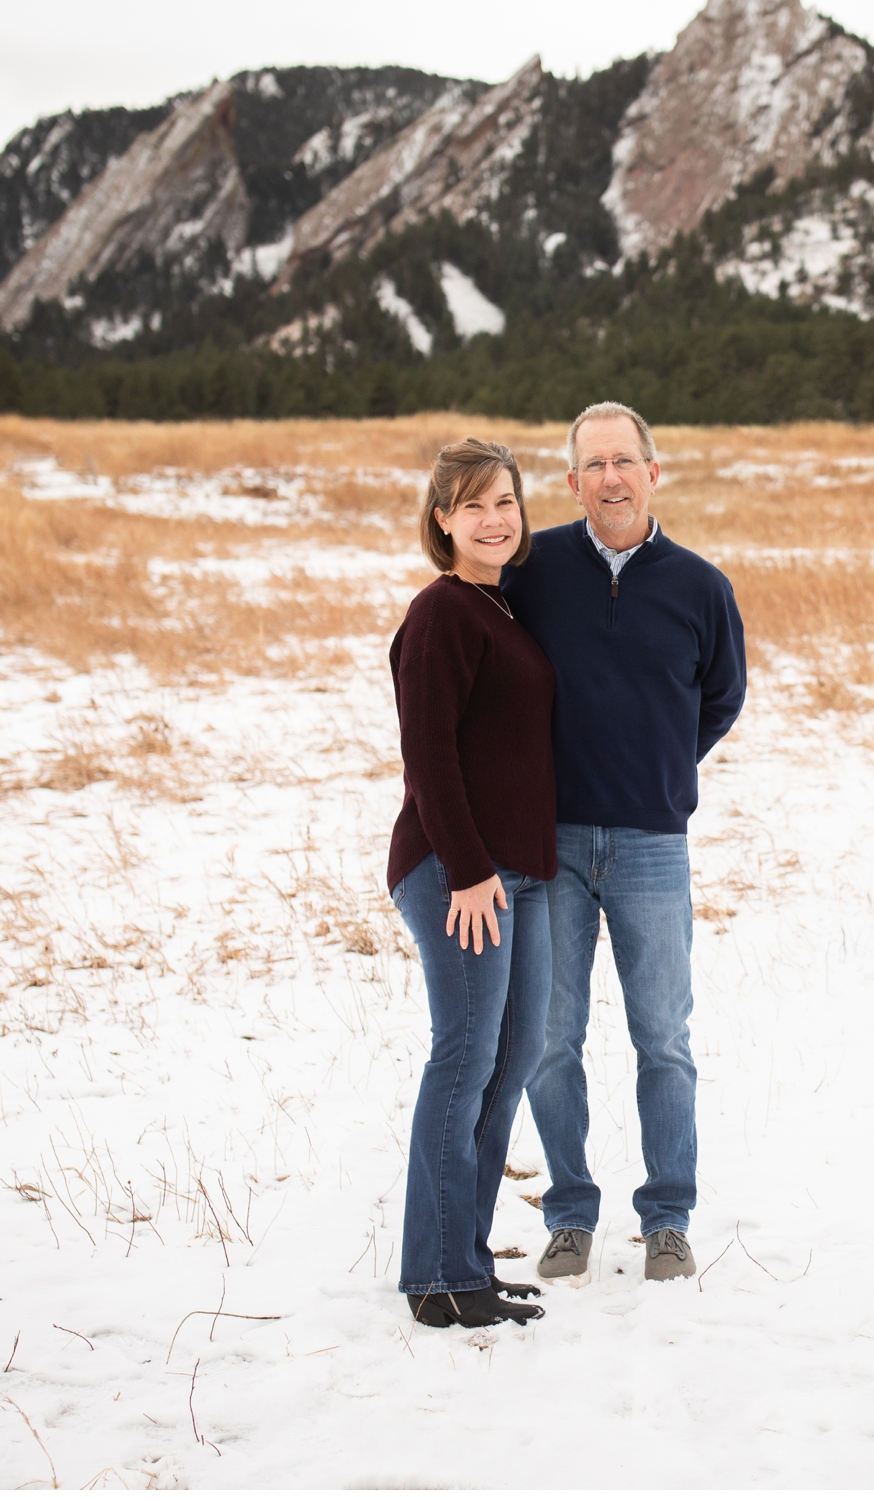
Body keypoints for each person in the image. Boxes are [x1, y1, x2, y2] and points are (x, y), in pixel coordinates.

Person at [507, 402, 746, 1285]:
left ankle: (668, 1217)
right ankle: (569, 1212)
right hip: (551, 842)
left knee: (664, 1039)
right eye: (593, 464)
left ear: (654, 472)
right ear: (570, 482)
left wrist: (658, 764)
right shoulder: (534, 574)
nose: (610, 477)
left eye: (625, 461)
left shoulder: (699, 586)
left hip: (652, 842)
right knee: (547, 1038)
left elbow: (722, 696)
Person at [386, 438, 558, 1329]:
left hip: (517, 874)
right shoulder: (441, 614)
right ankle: (435, 1275)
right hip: (461, 873)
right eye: (475, 504)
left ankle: (466, 1257)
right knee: (463, 1058)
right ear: (443, 518)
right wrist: (467, 868)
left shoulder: (503, 610)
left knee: (514, 1056)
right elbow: (429, 752)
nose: (495, 519)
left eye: (506, 502)